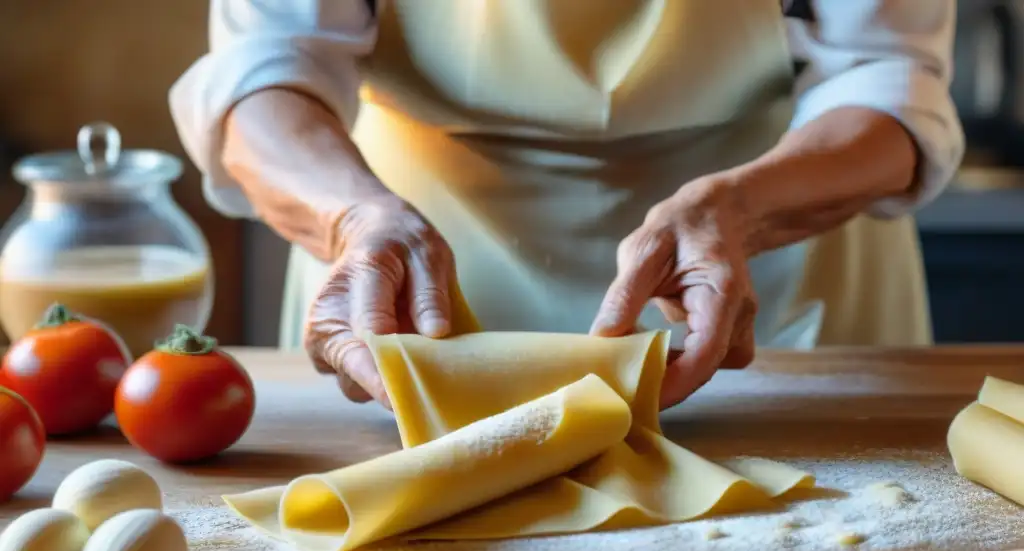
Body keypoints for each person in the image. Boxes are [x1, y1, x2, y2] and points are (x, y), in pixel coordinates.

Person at [169, 0, 964, 410]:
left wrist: (743, 209)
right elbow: (265, 71)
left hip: (765, 252)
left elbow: (887, 74)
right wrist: (351, 218)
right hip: (417, 269)